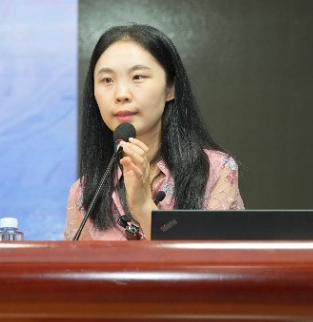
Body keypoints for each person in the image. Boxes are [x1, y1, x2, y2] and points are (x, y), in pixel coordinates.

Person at [64, 24, 243, 241]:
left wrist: (144, 207)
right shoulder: (83, 193)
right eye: (107, 80)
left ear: (170, 88)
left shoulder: (216, 171)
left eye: (138, 77)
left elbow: (215, 261)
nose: (121, 94)